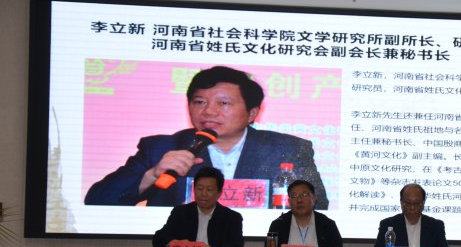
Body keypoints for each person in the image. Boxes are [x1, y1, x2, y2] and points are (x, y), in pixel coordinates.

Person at [85, 65, 328, 209]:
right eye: (199, 102)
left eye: (223, 103)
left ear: (252, 113)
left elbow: (318, 205)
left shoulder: (288, 149)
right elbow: (97, 200)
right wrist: (152, 175)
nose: (209, 112)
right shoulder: (160, 148)